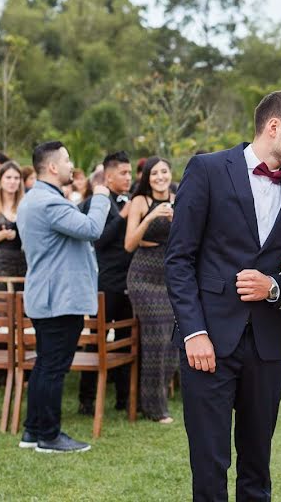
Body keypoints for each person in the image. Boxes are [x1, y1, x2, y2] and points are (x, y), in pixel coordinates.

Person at [165, 90, 281, 501]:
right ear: (274, 126)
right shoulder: (208, 169)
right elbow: (179, 259)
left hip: (267, 346)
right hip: (209, 341)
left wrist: (274, 287)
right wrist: (193, 332)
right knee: (210, 462)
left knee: (258, 462)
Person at [16, 141, 110, 454]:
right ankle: (50, 436)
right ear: (53, 167)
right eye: (67, 161)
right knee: (54, 367)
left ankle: (33, 431)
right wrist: (99, 197)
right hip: (59, 298)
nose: (71, 167)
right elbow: (93, 228)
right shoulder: (48, 202)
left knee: (45, 365)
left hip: (49, 296)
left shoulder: (38, 199)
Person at [77, 152, 134, 416]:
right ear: (108, 176)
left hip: (128, 282)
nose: (128, 177)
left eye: (130, 173)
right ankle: (86, 400)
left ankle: (123, 398)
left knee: (126, 338)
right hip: (103, 283)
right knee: (96, 340)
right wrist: (122, 215)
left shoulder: (134, 201)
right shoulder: (95, 202)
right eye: (123, 173)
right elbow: (97, 240)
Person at [125, 156, 176, 423]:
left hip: (170, 277)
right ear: (147, 177)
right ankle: (153, 407)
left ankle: (160, 396)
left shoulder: (179, 197)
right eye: (154, 173)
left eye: (164, 172)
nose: (159, 177)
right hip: (143, 277)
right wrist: (152, 216)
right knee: (157, 335)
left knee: (174, 338)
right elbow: (130, 243)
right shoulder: (140, 202)